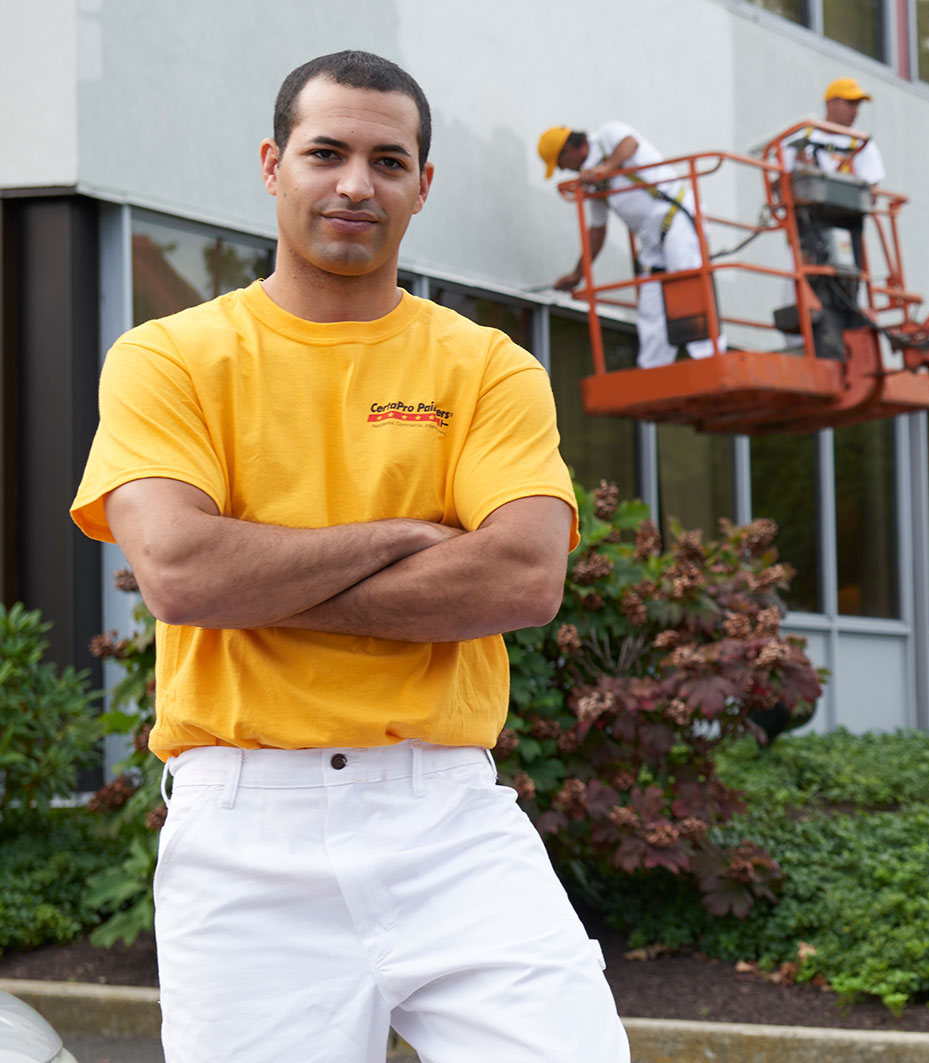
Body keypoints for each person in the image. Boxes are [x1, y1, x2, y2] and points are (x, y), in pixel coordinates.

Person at [69, 51, 630, 1063]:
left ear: (423, 184)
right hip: (245, 831)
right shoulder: (171, 358)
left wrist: (259, 579)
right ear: (272, 165)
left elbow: (521, 578)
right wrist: (403, 538)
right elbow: (184, 576)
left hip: (448, 816)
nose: (355, 184)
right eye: (325, 152)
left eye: (388, 159)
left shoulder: (488, 366)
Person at [540, 122, 724, 368]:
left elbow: (630, 143)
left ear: (570, 150)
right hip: (651, 241)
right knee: (650, 301)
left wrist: (605, 168)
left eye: (562, 165)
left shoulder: (607, 136)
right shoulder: (593, 179)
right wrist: (578, 274)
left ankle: (711, 359)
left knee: (688, 284)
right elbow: (597, 230)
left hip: (678, 219)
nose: (566, 171)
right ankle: (654, 368)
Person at [775, 77, 887, 355]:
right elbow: (780, 182)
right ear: (831, 103)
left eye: (858, 104)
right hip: (808, 223)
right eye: (850, 103)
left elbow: (871, 189)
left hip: (846, 223)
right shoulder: (802, 136)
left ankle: (843, 336)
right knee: (800, 276)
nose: (855, 110)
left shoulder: (861, 143)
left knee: (847, 279)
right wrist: (800, 174)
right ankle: (800, 341)